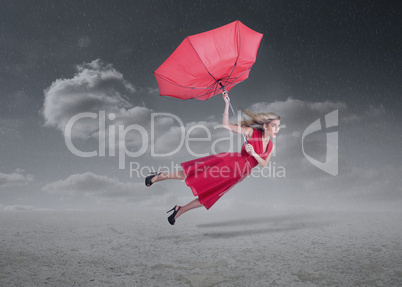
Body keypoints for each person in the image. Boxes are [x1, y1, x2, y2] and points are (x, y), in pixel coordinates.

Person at [145, 91, 281, 225]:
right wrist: (227, 104)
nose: (276, 129)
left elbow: (263, 164)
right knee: (194, 175)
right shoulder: (252, 132)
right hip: (229, 163)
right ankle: (160, 176)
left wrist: (254, 153)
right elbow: (226, 125)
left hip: (238, 174)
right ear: (265, 126)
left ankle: (180, 210)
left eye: (278, 127)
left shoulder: (271, 147)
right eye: (274, 126)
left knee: (210, 196)